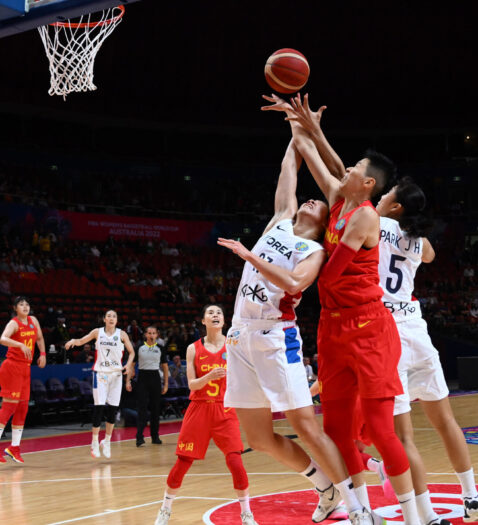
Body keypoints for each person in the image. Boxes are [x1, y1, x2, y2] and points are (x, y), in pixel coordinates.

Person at [263, 93, 420, 524]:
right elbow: (319, 159)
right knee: (336, 431)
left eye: (355, 170)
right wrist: (298, 124)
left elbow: (330, 277)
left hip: (368, 325)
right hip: (332, 328)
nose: (346, 169)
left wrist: (302, 262)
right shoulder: (340, 197)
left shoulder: (364, 217)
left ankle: (413, 516)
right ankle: (362, 512)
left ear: (367, 183)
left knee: (381, 429)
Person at [218, 139, 381, 524]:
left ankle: (358, 508)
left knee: (305, 426)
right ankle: (325, 487)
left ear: (325, 221)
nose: (308, 201)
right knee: (257, 439)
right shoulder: (279, 220)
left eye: (317, 202)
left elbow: (294, 285)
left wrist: (249, 256)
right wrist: (294, 131)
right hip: (241, 335)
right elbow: (287, 172)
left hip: (277, 338)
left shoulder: (315, 252)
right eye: (305, 199)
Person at [372, 177, 478, 523]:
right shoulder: (418, 240)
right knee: (446, 421)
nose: (382, 195)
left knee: (403, 434)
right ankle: (471, 497)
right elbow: (430, 255)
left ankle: (428, 514)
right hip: (417, 330)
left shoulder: (376, 220)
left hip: (388, 334)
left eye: (388, 193)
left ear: (396, 206)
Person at [155, 304, 258, 525]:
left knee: (235, 461)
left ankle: (246, 513)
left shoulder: (234, 346)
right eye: (210, 313)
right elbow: (192, 384)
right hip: (199, 408)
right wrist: (208, 377)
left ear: (224, 320)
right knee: (183, 461)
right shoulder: (193, 348)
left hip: (224, 408)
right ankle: (165, 510)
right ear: (203, 321)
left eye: (218, 313)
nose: (215, 315)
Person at [65, 310, 134, 459]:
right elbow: (82, 340)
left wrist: (128, 365)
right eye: (108, 316)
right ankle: (94, 442)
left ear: (117, 320)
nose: (111, 318)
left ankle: (107, 441)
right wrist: (73, 341)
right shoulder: (97, 332)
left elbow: (132, 352)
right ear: (104, 319)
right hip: (101, 374)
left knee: (113, 410)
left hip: (116, 375)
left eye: (114, 316)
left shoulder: (122, 334)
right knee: (99, 407)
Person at [0, 296, 46, 463]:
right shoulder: (13, 323)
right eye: (21, 304)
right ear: (15, 308)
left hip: (25, 368)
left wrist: (42, 354)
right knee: (8, 408)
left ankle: (14, 448)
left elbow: (39, 338)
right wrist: (19, 345)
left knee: (22, 408)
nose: (25, 307)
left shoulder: (33, 320)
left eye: (27, 304)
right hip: (12, 366)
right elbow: (3, 339)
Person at [132, 326, 169, 447]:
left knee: (155, 409)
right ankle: (139, 437)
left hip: (155, 378)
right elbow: (132, 364)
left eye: (154, 333)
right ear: (146, 335)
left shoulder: (160, 348)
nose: (151, 335)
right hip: (142, 378)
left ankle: (155, 436)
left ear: (157, 335)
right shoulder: (139, 347)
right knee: (142, 409)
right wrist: (128, 380)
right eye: (149, 333)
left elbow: (164, 367)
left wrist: (166, 384)